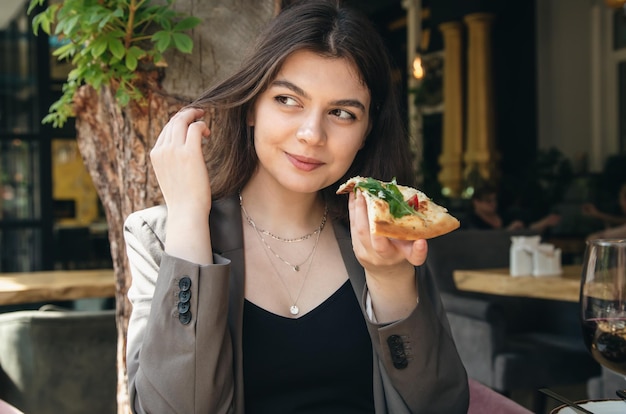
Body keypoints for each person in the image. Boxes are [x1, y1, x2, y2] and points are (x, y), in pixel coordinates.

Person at [123, 1, 469, 413]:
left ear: (366, 132)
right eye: (288, 100)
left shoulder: (388, 236)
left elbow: (443, 407)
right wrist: (188, 221)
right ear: (252, 106)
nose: (311, 134)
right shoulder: (159, 238)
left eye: (341, 113)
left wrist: (390, 278)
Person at [462, 184, 561, 232]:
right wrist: (508, 231)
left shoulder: (504, 215)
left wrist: (545, 222)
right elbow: (483, 239)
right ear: (476, 202)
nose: (493, 204)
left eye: (494, 200)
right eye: (488, 201)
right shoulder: (471, 221)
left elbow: (527, 229)